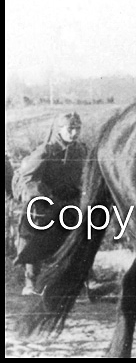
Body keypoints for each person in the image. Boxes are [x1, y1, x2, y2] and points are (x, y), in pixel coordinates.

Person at [13, 112, 88, 295]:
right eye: (70, 128)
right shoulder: (46, 151)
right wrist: (38, 196)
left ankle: (79, 281)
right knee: (34, 238)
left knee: (79, 239)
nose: (74, 133)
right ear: (59, 129)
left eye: (77, 128)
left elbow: (85, 177)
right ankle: (31, 282)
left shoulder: (82, 150)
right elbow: (26, 178)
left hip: (71, 202)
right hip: (46, 203)